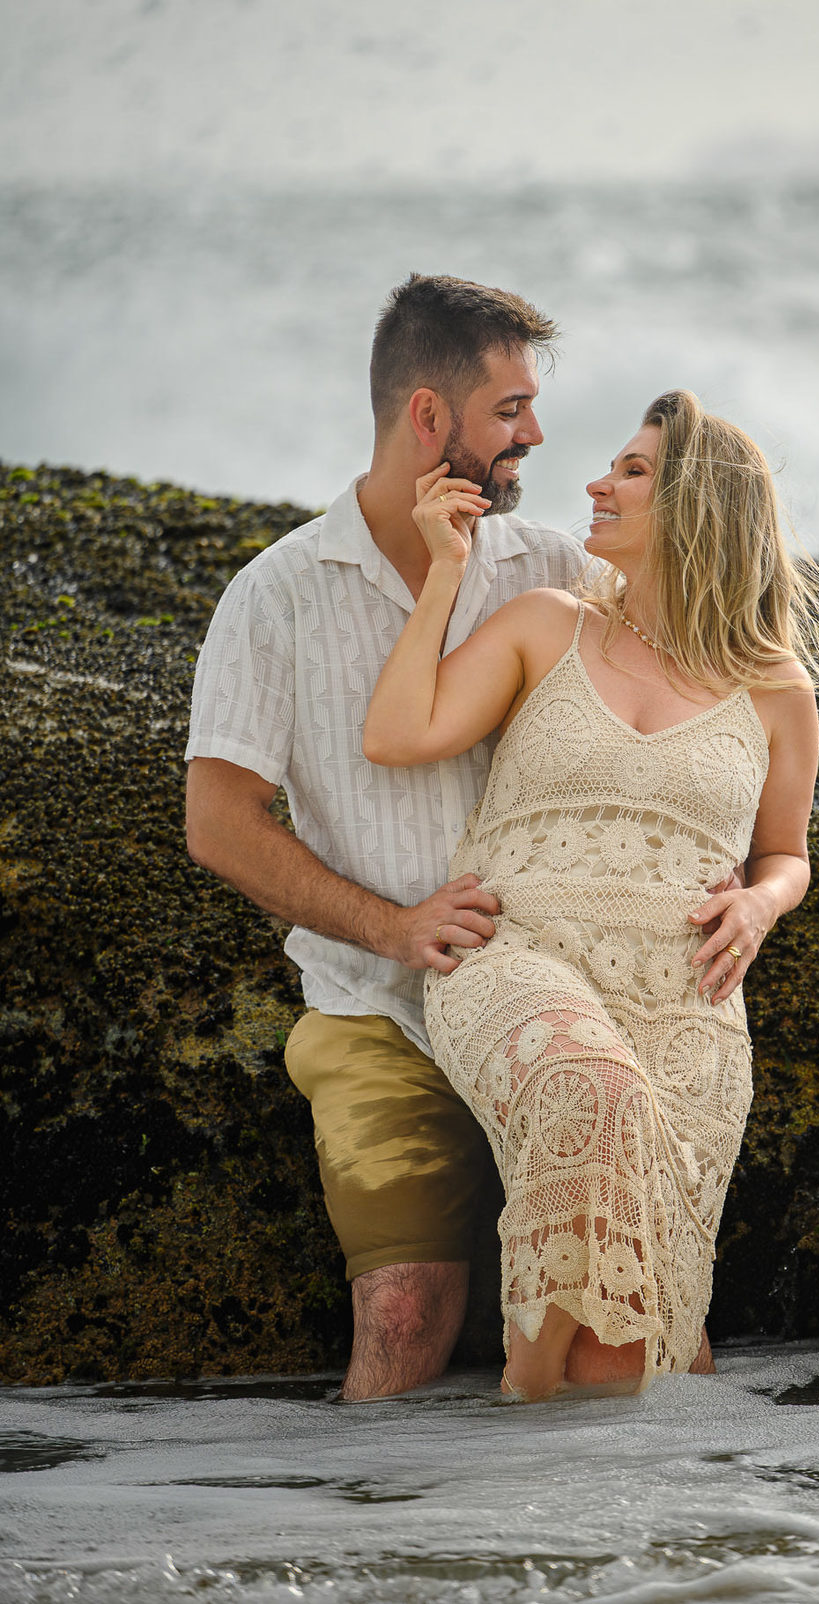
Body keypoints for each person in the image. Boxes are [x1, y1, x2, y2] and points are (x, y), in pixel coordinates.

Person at [363, 389, 819, 1399]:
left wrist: (759, 905)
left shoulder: (776, 687)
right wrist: (445, 572)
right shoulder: (548, 625)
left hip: (687, 1008)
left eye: (631, 471)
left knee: (626, 1351)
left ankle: (566, 1529)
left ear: (699, 506)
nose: (596, 482)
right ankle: (528, 1444)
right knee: (598, 1095)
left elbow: (787, 854)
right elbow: (396, 733)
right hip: (518, 957)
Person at [185, 272, 590, 1400]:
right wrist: (394, 926)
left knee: (604, 1324)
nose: (536, 432)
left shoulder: (555, 568)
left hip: (551, 999)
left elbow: (683, 689)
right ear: (428, 417)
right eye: (509, 410)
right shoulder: (275, 597)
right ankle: (364, 1545)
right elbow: (218, 825)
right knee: (408, 1313)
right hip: (374, 1014)